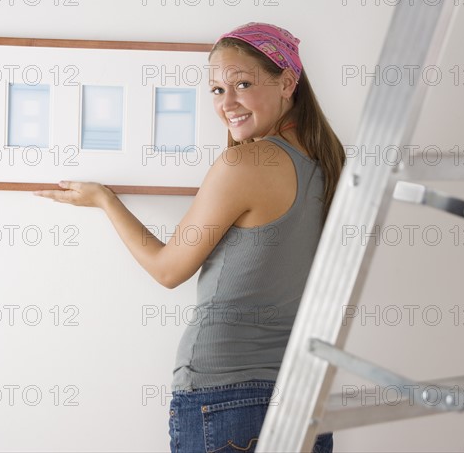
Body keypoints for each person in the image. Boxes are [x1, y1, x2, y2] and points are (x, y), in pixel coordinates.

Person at [34, 22, 345, 453]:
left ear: (287, 82)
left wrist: (106, 201)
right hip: (304, 394)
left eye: (242, 84)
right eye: (217, 90)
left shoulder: (247, 163)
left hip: (228, 391)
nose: (227, 103)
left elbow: (167, 270)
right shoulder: (329, 164)